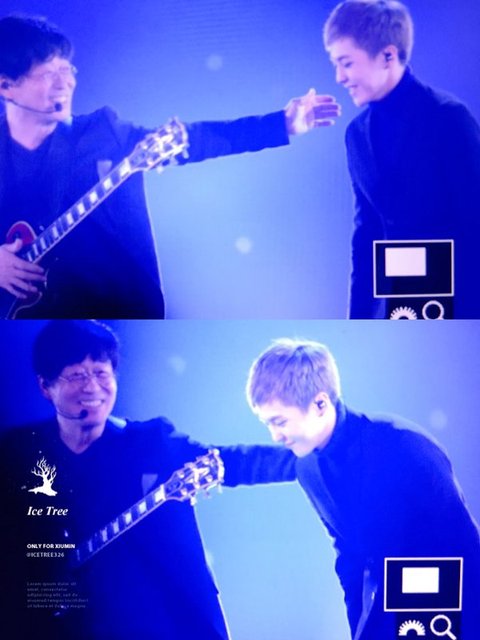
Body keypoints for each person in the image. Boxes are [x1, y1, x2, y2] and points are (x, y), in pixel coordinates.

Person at [0, 15, 340, 320]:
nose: (65, 83)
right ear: (6, 86)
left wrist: (281, 124)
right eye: (48, 73)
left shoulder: (102, 133)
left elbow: (197, 140)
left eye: (67, 70)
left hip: (110, 306)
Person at [0, 320, 297, 640]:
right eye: (76, 375)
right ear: (46, 387)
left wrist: (309, 457)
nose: (92, 387)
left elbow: (233, 461)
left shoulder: (151, 442)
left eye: (101, 373)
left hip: (160, 624)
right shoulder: (19, 452)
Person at [246, 338, 480, 640]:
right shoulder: (308, 469)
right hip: (382, 610)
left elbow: (466, 549)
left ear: (320, 404)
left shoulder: (405, 446)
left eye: (279, 422)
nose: (275, 436)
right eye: (267, 424)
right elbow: (349, 560)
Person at [323, 0, 480, 319]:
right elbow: (366, 235)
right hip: (394, 308)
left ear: (388, 56)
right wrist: (359, 319)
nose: (339, 77)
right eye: (335, 64)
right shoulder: (356, 134)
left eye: (347, 63)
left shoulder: (448, 118)